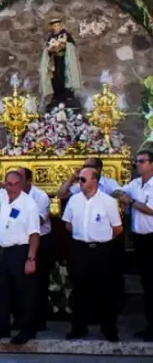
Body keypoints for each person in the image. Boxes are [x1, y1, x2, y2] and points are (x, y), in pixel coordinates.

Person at [62, 166, 122, 342]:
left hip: (101, 251)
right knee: (79, 290)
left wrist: (100, 239)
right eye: (79, 179)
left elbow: (117, 228)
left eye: (83, 179)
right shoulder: (74, 200)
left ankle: (108, 328)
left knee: (105, 291)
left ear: (94, 180)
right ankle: (79, 328)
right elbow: (67, 223)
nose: (79, 182)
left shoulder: (108, 201)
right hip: (80, 250)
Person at [0, 170, 40, 345]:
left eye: (17, 184)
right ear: (5, 184)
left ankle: (27, 330)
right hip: (6, 252)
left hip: (21, 251)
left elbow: (34, 235)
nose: (13, 188)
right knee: (2, 292)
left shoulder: (29, 204)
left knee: (24, 293)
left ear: (22, 184)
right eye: (9, 184)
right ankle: (3, 327)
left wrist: (31, 259)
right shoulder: (4, 197)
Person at [118, 145, 153, 341]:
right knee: (146, 283)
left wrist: (130, 203)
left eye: (142, 161)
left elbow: (151, 210)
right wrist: (120, 197)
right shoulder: (135, 183)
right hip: (140, 239)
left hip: (152, 237)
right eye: (136, 161)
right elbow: (119, 191)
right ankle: (149, 324)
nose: (137, 165)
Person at [19, 167, 53, 331]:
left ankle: (39, 321)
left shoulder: (40, 196)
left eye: (20, 178)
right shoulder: (13, 196)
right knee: (20, 282)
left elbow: (38, 221)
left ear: (28, 181)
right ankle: (21, 319)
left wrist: (18, 222)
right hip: (21, 242)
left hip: (41, 242)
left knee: (39, 283)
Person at [39, 16, 82, 111]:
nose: (56, 27)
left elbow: (72, 46)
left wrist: (65, 45)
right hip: (55, 60)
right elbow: (47, 49)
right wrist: (50, 49)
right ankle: (57, 95)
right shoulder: (51, 36)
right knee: (55, 77)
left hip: (65, 60)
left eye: (58, 25)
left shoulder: (65, 35)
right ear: (52, 27)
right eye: (54, 25)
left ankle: (67, 94)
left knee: (65, 76)